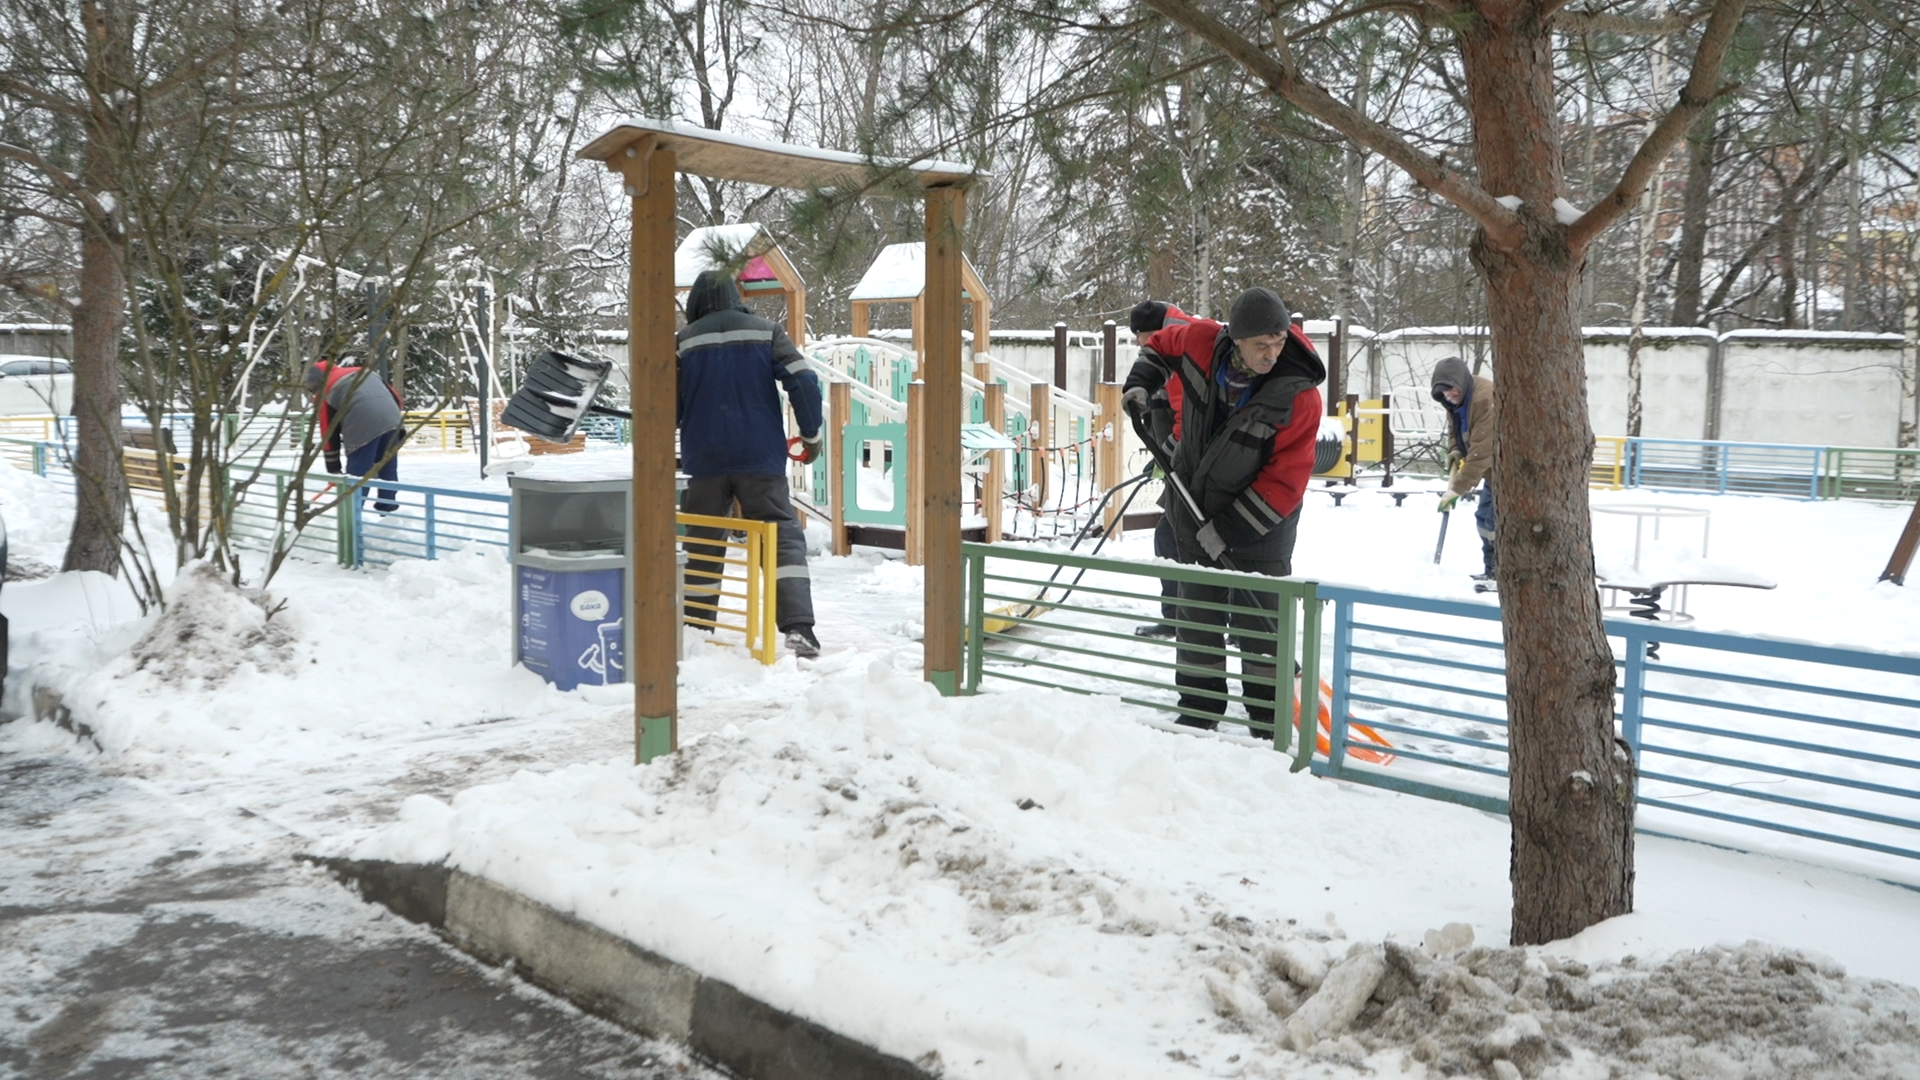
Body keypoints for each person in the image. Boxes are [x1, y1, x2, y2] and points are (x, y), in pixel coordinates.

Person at [1122, 287, 1325, 740]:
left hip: (1263, 527)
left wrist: (1229, 531)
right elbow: (1158, 348)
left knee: (1260, 629)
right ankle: (1199, 709)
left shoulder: (1298, 398)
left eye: (1278, 342)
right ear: (1235, 339)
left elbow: (1286, 482)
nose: (1272, 354)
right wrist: (1141, 383)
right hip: (1193, 508)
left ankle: (1267, 723)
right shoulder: (1198, 341)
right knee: (1197, 616)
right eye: (1261, 345)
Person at [677, 270, 826, 659]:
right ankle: (798, 628)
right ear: (734, 297)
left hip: (703, 459)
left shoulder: (682, 342)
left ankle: (694, 630)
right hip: (759, 458)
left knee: (702, 541)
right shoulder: (767, 331)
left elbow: (669, 405)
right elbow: (804, 382)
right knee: (780, 536)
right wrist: (811, 436)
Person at [1127, 300, 1194, 640]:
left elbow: (1188, 419)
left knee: (1170, 538)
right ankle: (1230, 623)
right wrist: (1160, 454)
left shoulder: (1178, 348)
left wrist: (1168, 452)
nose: (1144, 348)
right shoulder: (1180, 342)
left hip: (1191, 465)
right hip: (1184, 462)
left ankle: (1178, 619)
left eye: (1143, 339)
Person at [1430, 356, 1496, 581]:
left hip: (1509, 470)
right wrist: (1455, 450)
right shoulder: (1453, 401)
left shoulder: (1485, 398)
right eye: (1445, 394)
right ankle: (1492, 571)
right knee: (1484, 518)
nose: (1450, 396)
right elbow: (1454, 430)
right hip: (1492, 472)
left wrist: (1456, 489)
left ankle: (1502, 575)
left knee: (1495, 521)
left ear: (1461, 381)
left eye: (1452, 391)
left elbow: (1482, 452)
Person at [307, 359, 404, 512]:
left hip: (362, 424)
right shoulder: (363, 371)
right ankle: (388, 508)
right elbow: (396, 398)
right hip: (393, 420)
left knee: (359, 472)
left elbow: (328, 433)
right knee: (387, 465)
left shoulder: (326, 389)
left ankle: (352, 513)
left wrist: (333, 468)